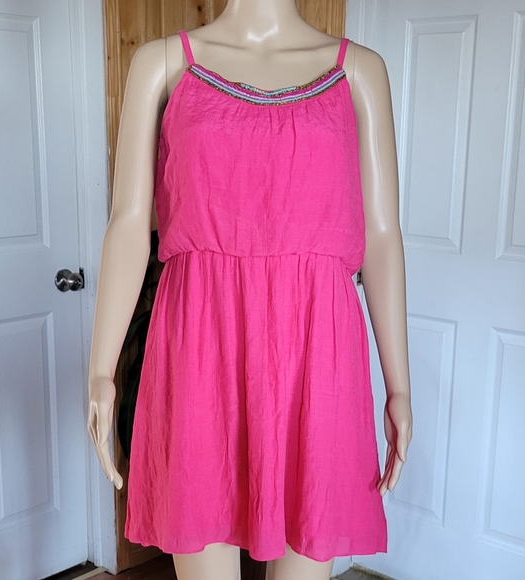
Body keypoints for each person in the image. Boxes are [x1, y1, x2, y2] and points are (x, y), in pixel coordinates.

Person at [87, 2, 413, 579]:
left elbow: (383, 236)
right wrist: (100, 371)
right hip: (200, 349)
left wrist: (399, 387)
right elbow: (128, 223)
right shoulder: (162, 64)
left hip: (316, 352)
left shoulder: (359, 71)